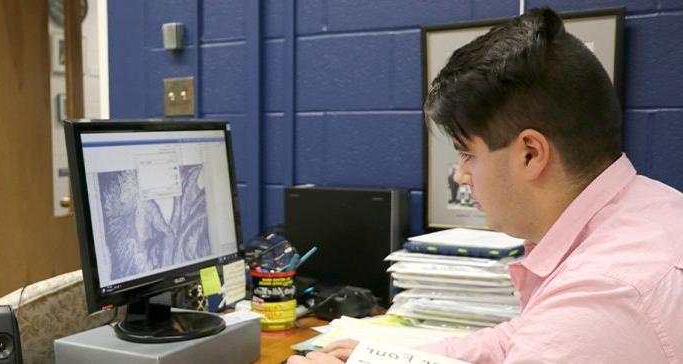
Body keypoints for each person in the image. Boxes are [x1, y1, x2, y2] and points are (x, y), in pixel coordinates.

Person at [289, 7, 683, 364]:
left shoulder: (602, 295)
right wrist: (385, 357)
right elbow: (521, 336)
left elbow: (554, 335)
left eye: (467, 154)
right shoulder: (650, 206)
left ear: (530, 153)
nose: (461, 174)